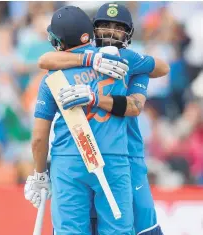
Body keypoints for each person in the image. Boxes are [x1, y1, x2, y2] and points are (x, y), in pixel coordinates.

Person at [24, 5, 160, 234]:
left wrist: (39, 174)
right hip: (115, 159)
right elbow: (157, 69)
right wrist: (92, 61)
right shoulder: (120, 59)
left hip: (68, 161)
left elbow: (39, 138)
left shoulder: (51, 78)